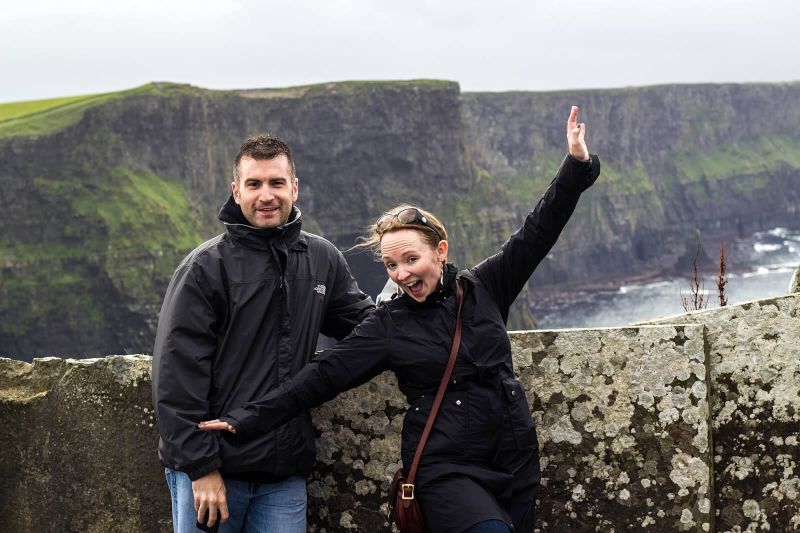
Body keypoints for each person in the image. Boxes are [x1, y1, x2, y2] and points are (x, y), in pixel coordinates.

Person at [200, 107, 601, 532]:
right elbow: (321, 376)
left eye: (411, 259)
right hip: (445, 468)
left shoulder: (485, 287)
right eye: (391, 265)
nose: (402, 274)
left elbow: (538, 231)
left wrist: (575, 165)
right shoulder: (388, 324)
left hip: (513, 457)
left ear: (440, 252)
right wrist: (244, 419)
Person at [152, 135, 374, 532]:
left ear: (294, 187)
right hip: (213, 471)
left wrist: (429, 300)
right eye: (254, 184)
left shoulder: (321, 259)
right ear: (236, 192)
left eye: (276, 183)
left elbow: (368, 328)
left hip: (282, 476)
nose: (266, 195)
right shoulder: (205, 268)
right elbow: (176, 376)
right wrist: (201, 468)